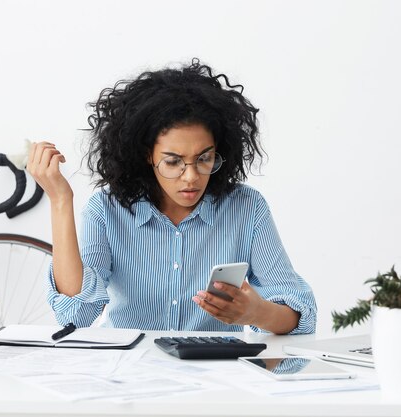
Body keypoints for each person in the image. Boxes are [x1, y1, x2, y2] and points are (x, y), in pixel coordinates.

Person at [28, 59, 316, 334]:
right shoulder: (107, 209)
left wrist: (256, 313)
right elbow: (75, 315)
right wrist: (60, 201)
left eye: (204, 158)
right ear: (146, 156)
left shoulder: (247, 208)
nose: (191, 177)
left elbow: (301, 315)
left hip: (215, 374)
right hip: (129, 371)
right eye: (173, 161)